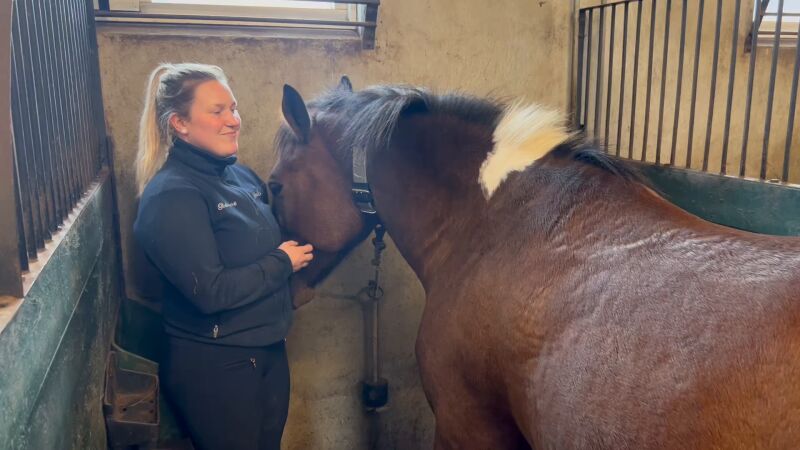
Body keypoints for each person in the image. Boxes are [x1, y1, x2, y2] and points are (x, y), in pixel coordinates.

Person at [132, 63, 313, 450]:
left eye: (233, 108)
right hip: (217, 364)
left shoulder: (242, 178)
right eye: (217, 111)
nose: (233, 120)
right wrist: (282, 263)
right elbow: (209, 291)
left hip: (268, 350)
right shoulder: (172, 195)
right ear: (180, 124)